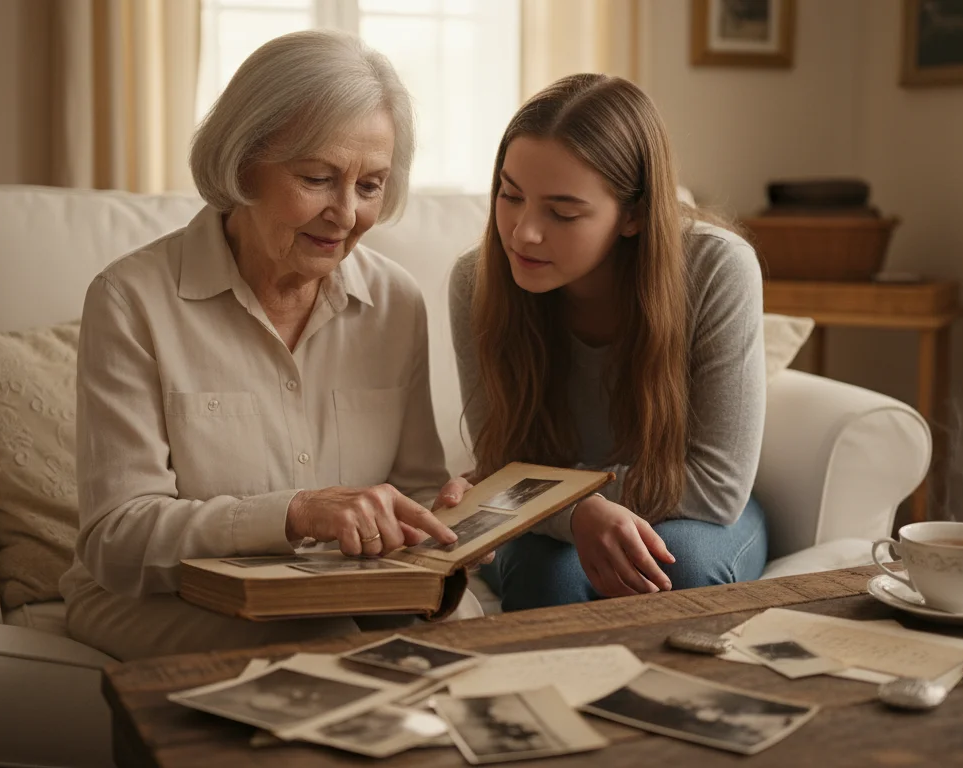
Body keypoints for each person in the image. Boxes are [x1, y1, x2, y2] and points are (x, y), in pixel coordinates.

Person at [60, 30, 478, 661]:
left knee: (476, 641)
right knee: (326, 651)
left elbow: (414, 490)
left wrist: (445, 522)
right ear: (241, 161)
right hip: (162, 598)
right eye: (318, 178)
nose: (345, 213)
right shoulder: (130, 299)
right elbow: (117, 539)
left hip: (346, 590)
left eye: (371, 186)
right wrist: (297, 513)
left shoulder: (395, 302)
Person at [448, 73, 769, 612]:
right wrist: (575, 513)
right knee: (544, 578)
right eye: (510, 194)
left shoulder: (717, 268)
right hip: (544, 520)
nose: (523, 232)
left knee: (676, 566)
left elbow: (715, 487)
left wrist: (570, 497)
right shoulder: (478, 280)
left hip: (692, 516)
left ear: (635, 214)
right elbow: (500, 466)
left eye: (562, 212)